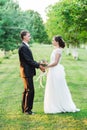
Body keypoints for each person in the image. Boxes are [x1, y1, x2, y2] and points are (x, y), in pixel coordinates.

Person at [44, 36, 80, 113]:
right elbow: (52, 61)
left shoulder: (58, 51)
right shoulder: (55, 50)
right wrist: (47, 64)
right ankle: (54, 104)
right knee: (53, 87)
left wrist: (46, 66)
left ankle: (60, 105)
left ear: (57, 42)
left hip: (55, 71)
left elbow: (56, 62)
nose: (52, 41)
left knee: (57, 87)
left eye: (53, 40)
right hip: (53, 70)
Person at [18, 30, 45, 115]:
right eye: (28, 35)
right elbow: (28, 61)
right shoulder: (23, 47)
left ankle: (24, 109)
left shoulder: (25, 46)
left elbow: (29, 60)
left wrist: (39, 63)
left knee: (27, 90)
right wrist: (39, 66)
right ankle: (27, 110)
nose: (30, 37)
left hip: (27, 72)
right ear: (24, 37)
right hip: (26, 72)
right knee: (30, 91)